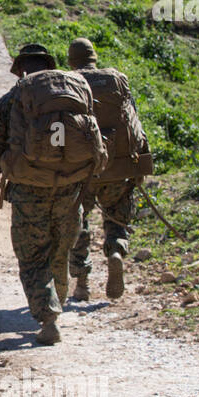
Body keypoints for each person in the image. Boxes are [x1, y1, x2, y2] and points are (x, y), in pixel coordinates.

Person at [0, 44, 106, 344]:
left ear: (21, 70)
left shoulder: (12, 98)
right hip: (71, 188)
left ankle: (49, 317)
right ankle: (58, 302)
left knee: (33, 254)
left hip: (29, 190)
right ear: (48, 66)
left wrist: (11, 167)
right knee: (60, 250)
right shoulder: (76, 91)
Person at [66, 37, 151, 301]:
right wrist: (142, 161)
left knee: (79, 221)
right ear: (94, 58)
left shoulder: (69, 82)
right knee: (117, 216)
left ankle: (82, 283)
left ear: (71, 60)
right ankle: (116, 249)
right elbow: (133, 120)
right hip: (118, 167)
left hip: (83, 170)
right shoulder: (116, 79)